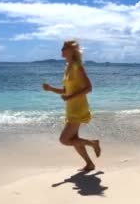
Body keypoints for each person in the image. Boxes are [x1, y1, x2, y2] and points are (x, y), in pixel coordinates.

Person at [42, 40, 101, 171]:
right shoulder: (67, 67)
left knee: (64, 140)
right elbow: (65, 90)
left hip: (78, 108)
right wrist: (50, 88)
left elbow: (89, 88)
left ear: (71, 50)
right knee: (74, 139)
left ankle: (93, 143)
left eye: (64, 48)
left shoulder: (77, 66)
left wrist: (70, 97)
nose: (61, 50)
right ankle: (89, 164)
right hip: (70, 108)